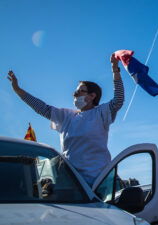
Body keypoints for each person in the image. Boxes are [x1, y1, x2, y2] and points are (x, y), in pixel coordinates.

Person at [7, 54, 124, 186]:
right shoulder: (66, 116)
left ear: (92, 96)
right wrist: (18, 90)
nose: (75, 94)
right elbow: (41, 108)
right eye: (75, 91)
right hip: (72, 183)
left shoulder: (101, 113)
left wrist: (115, 69)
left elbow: (118, 100)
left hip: (101, 182)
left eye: (80, 91)